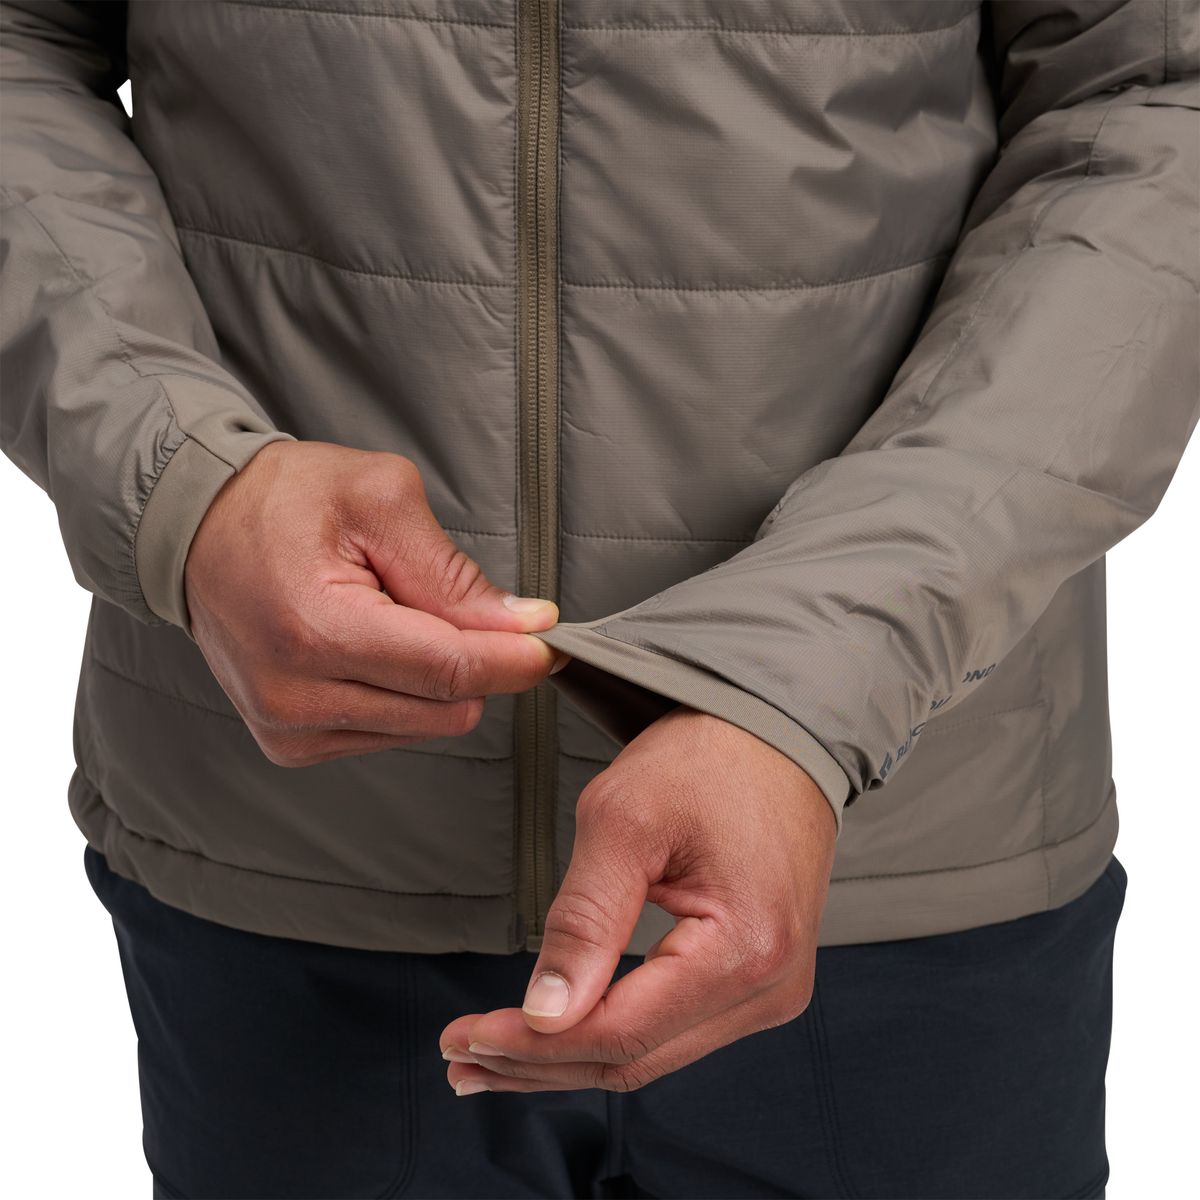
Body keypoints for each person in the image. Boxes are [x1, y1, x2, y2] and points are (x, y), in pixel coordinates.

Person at [1, 1, 1196, 1196]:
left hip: (892, 843)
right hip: (293, 852)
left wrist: (814, 668)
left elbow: (1153, 92)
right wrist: (185, 482)